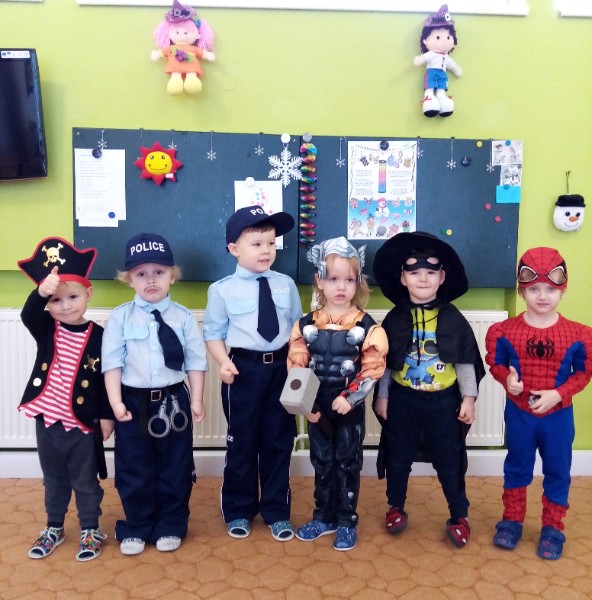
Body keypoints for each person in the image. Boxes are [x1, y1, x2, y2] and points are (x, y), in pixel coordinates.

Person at [372, 231, 485, 547]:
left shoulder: (453, 318)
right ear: (403, 278)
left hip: (443, 402)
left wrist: (469, 398)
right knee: (398, 456)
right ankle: (395, 507)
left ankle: (459, 515)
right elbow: (385, 363)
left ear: (442, 277)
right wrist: (382, 397)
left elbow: (465, 361)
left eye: (431, 272)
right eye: (414, 272)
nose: (423, 278)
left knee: (449, 459)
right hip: (402, 400)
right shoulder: (395, 318)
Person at [101, 233, 208, 555]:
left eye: (159, 272)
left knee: (175, 465)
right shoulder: (120, 317)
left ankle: (171, 522)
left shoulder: (183, 317)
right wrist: (115, 402)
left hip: (173, 399)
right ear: (129, 279)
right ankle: (136, 524)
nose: (150, 280)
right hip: (132, 401)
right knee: (134, 465)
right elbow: (111, 363)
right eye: (141, 274)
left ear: (172, 275)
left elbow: (196, 362)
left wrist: (197, 399)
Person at [485, 247, 592, 560]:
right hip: (520, 413)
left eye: (550, 289)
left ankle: (553, 528)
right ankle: (511, 521)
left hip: (558, 416)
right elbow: (496, 363)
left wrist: (559, 394)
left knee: (558, 470)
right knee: (517, 467)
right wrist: (507, 380)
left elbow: (584, 372)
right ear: (522, 290)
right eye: (533, 289)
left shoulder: (579, 334)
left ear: (563, 289)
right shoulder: (504, 332)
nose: (542, 296)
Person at [203, 206, 302, 541]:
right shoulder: (221, 290)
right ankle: (238, 509)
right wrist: (223, 361)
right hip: (243, 370)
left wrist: (299, 363)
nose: (266, 250)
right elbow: (213, 334)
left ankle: (276, 511)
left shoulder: (286, 285)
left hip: (282, 369)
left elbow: (297, 329)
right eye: (256, 244)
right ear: (234, 248)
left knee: (279, 439)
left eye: (271, 243)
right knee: (242, 441)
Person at [288, 237, 388, 551]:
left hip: (347, 406)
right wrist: (306, 405)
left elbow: (372, 368)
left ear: (358, 282)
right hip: (316, 405)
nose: (341, 286)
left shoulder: (368, 327)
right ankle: (323, 517)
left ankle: (346, 521)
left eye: (349, 279)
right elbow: (297, 367)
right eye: (333, 279)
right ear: (319, 280)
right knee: (321, 461)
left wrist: (351, 397)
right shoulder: (305, 325)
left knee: (347, 463)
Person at [17, 237, 114, 562]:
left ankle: (90, 528)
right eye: (56, 300)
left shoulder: (100, 336)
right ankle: (54, 527)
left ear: (88, 294)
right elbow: (28, 314)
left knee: (85, 481)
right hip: (47, 422)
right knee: (54, 479)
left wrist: (106, 416)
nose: (65, 306)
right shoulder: (47, 327)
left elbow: (105, 380)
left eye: (73, 297)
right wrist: (41, 292)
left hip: (82, 425)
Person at [413, 4, 462, 118]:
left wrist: (456, 69)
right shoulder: (431, 54)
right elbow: (423, 58)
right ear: (425, 40)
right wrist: (419, 60)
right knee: (429, 89)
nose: (444, 41)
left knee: (441, 90)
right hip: (431, 72)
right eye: (438, 37)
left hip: (442, 74)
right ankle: (429, 101)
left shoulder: (446, 56)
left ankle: (443, 101)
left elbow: (452, 65)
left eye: (448, 38)